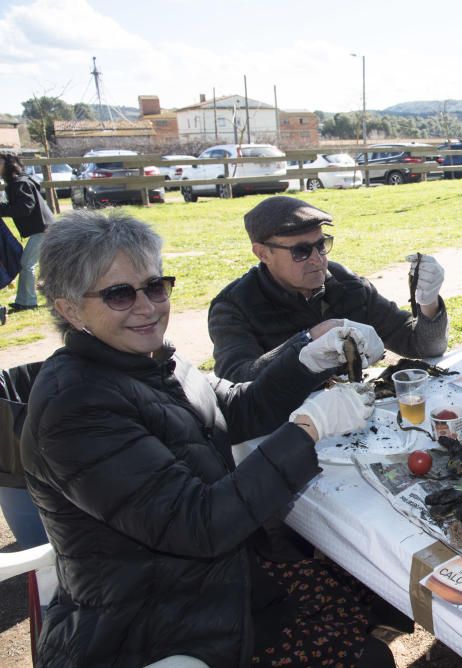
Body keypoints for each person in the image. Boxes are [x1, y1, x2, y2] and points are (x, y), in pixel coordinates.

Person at [20, 209, 395, 667]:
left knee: (361, 592)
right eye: (119, 294)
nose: (147, 307)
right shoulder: (75, 407)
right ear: (69, 308)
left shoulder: (151, 359)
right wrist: (309, 426)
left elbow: (235, 408)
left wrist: (306, 359)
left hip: (212, 581)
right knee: (366, 654)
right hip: (156, 622)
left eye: (155, 287)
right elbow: (201, 524)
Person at [209, 195, 448, 384]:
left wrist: (427, 303)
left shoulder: (345, 283)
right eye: (300, 251)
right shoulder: (234, 306)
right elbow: (235, 383)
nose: (317, 259)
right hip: (285, 430)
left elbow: (426, 347)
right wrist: (311, 340)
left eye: (321, 245)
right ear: (263, 253)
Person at [0, 152, 53, 314]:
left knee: (26, 264)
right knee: (32, 265)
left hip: (43, 230)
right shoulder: (18, 182)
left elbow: (26, 207)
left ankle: (28, 301)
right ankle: (24, 300)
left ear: (8, 165)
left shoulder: (19, 183)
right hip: (44, 228)